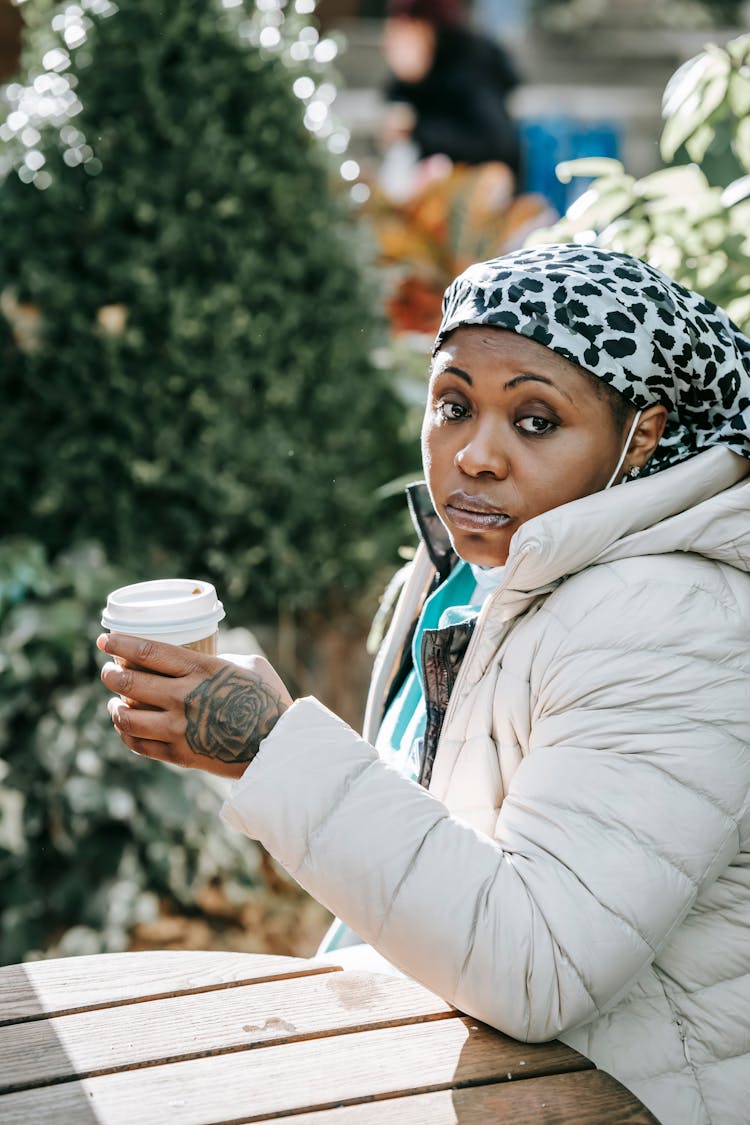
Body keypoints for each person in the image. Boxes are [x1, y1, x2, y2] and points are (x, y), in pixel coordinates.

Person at [99, 243, 750, 1125]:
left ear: (643, 434)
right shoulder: (489, 569)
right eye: (453, 405)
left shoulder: (673, 618)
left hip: (618, 1096)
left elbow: (537, 965)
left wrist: (271, 744)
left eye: (535, 420)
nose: (475, 456)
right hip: (473, 1062)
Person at [379, 0, 521, 179]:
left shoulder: (469, 71)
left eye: (398, 34)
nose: (389, 45)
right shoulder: (407, 84)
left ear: (425, 30)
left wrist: (417, 131)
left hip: (475, 186)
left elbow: (495, 145)